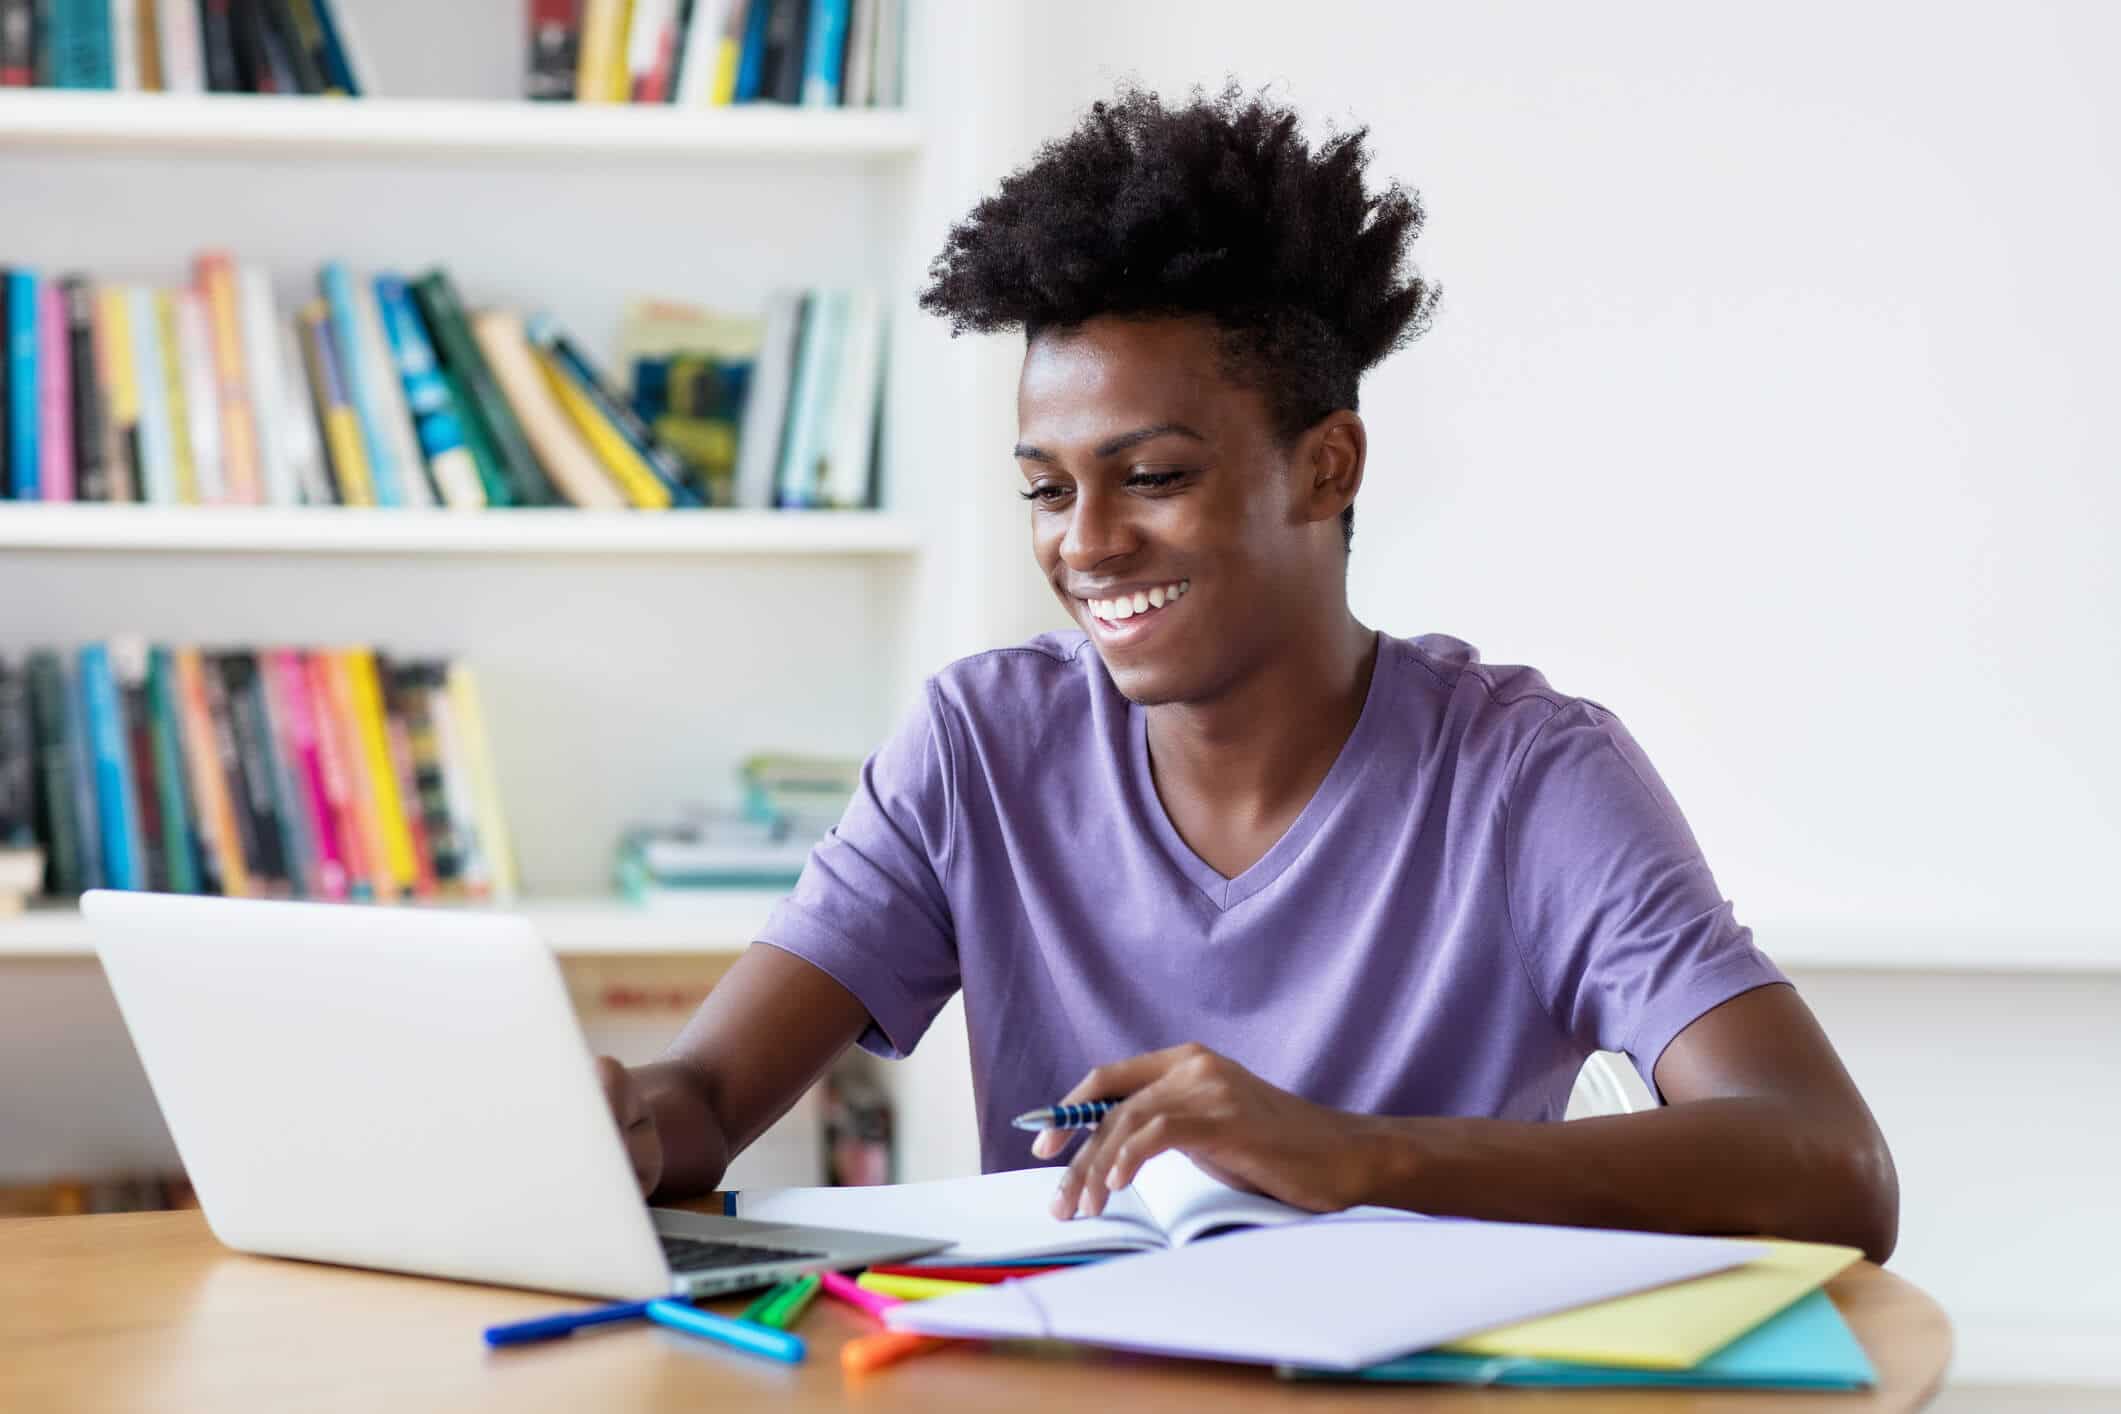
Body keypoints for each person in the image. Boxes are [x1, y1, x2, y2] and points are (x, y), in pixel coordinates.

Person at [598, 83, 1898, 1261]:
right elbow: (708, 1095)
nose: (1086, 542)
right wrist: (624, 1125)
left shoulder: (1527, 774)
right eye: (1045, 489)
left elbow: (1830, 1164)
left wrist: (1350, 1152)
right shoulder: (981, 743)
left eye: (1152, 476)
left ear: (1326, 467)